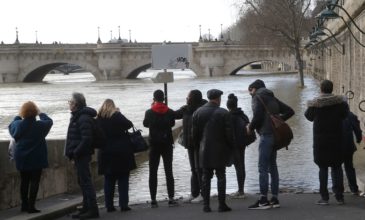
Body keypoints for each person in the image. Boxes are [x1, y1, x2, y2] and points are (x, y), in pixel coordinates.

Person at [247, 79, 294, 209]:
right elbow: (290, 111)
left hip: (266, 135)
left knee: (262, 168)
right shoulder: (272, 98)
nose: (250, 93)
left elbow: (257, 117)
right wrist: (278, 121)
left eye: (250, 90)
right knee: (273, 167)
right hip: (276, 137)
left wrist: (250, 128)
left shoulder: (257, 97)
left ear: (254, 89)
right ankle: (274, 198)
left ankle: (263, 200)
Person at [304, 79, 348, 205]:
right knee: (337, 167)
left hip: (320, 142)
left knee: (322, 169)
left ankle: (324, 197)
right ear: (332, 89)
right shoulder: (339, 104)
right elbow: (345, 115)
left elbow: (308, 116)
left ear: (321, 89)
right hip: (336, 140)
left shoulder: (315, 104)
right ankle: (339, 196)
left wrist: (311, 104)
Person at [192, 89, 234, 212]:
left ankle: (206, 205)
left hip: (204, 150)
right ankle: (222, 205)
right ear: (218, 99)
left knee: (206, 177)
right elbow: (229, 134)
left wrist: (198, 148)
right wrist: (231, 146)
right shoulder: (224, 113)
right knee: (221, 176)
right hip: (220, 150)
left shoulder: (197, 112)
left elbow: (194, 135)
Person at [8, 101, 53, 213]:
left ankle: (24, 205)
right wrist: (41, 113)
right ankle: (31, 206)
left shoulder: (18, 125)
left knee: (24, 181)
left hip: (22, 157)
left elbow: (11, 126)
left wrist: (18, 115)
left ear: (23, 112)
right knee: (34, 181)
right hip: (37, 157)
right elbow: (49, 121)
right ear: (35, 112)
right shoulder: (40, 126)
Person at [96, 99, 135, 212]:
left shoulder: (99, 118)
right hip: (121, 152)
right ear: (113, 106)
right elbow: (129, 124)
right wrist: (118, 112)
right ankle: (123, 205)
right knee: (123, 179)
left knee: (109, 180)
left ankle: (109, 206)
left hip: (105, 153)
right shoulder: (117, 115)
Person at [65, 92, 99, 219]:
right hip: (80, 154)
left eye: (70, 102)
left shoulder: (83, 118)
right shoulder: (78, 116)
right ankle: (86, 208)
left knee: (86, 182)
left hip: (82, 154)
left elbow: (86, 139)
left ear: (76, 104)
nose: (69, 104)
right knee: (82, 181)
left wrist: (75, 152)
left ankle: (93, 210)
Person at [143, 89, 177, 208]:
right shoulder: (169, 111)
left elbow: (145, 124)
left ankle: (153, 200)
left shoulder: (149, 112)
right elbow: (172, 124)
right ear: (164, 98)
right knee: (169, 171)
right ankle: (171, 198)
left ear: (154, 98)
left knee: (153, 172)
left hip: (154, 145)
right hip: (167, 144)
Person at [175, 90, 207, 203]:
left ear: (193, 98)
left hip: (199, 143)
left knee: (200, 169)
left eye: (188, 97)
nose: (186, 98)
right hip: (190, 143)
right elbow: (174, 115)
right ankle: (194, 193)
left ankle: (203, 194)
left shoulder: (202, 109)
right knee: (194, 169)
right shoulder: (186, 109)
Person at [226, 93, 249, 198]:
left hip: (233, 144)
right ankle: (241, 190)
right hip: (243, 143)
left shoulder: (228, 116)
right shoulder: (242, 115)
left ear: (228, 106)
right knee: (241, 166)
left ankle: (240, 192)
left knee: (238, 167)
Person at [341, 107, 363, 195]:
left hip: (335, 145)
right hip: (348, 145)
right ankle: (354, 189)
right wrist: (359, 139)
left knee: (336, 168)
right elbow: (357, 128)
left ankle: (338, 191)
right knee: (349, 167)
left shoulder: (333, 114)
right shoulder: (350, 115)